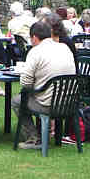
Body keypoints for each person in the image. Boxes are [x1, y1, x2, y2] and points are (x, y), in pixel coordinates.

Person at [12, 20, 76, 149]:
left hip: (48, 105)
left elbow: (25, 83)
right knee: (37, 94)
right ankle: (49, 137)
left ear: (34, 37)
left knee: (16, 101)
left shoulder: (35, 52)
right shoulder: (64, 47)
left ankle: (34, 139)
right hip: (69, 102)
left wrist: (35, 86)